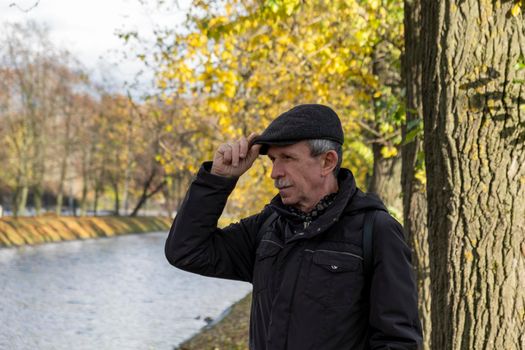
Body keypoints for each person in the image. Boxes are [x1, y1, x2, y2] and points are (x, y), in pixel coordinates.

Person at [165, 104, 423, 349]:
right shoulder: (268, 227)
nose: (275, 173)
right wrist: (218, 179)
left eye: (287, 158)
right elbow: (187, 251)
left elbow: (398, 341)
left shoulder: (376, 230)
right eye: (273, 160)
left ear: (327, 162)